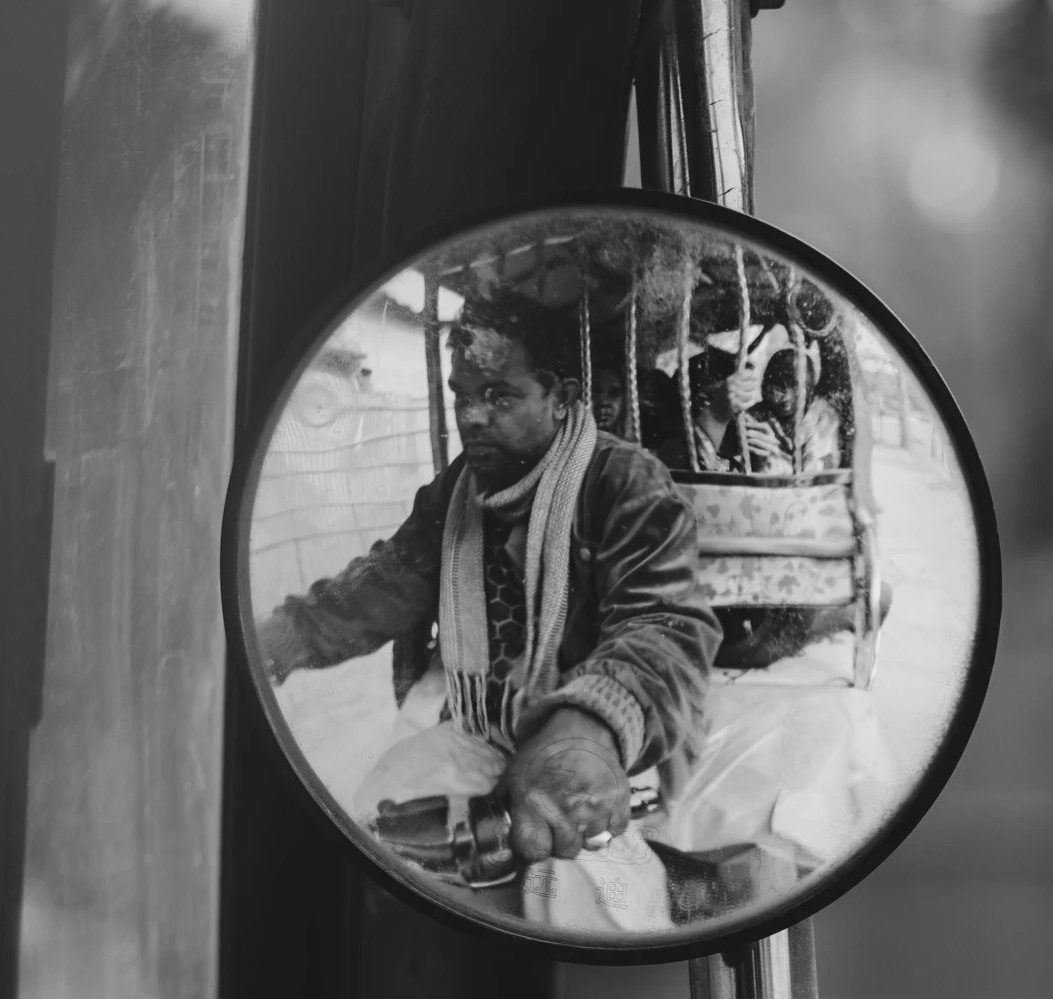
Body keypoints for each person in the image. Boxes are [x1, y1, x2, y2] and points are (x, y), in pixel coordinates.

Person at [258, 290, 722, 928]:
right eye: (462, 395)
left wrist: (587, 732)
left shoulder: (626, 483)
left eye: (499, 396)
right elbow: (381, 585)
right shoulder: (455, 490)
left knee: (581, 899)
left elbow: (665, 627)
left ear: (559, 397)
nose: (471, 416)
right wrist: (271, 642)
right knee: (376, 828)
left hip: (604, 761)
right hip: (479, 733)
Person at [654, 346, 790, 474]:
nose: (734, 413)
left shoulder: (736, 453)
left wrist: (758, 464)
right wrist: (716, 417)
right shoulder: (666, 453)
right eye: (727, 400)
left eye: (737, 402)